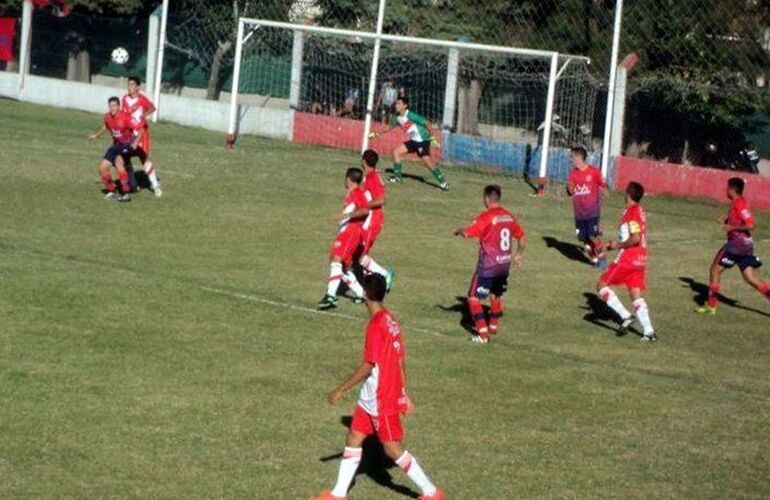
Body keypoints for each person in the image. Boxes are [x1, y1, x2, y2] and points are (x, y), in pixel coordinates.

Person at [310, 274, 444, 500]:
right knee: (354, 435)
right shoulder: (391, 319)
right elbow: (400, 359)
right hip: (371, 396)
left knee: (392, 449)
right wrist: (405, 392)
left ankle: (431, 492)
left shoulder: (376, 325)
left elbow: (368, 365)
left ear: (364, 294)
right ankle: (338, 494)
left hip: (382, 397)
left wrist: (341, 389)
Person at [454, 185, 525, 343]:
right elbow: (521, 236)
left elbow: (468, 233)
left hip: (488, 266)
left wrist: (459, 230)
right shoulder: (509, 216)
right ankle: (493, 327)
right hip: (504, 264)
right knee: (496, 294)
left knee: (473, 298)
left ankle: (482, 335)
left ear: (487, 199)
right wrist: (519, 254)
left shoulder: (486, 217)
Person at [696, 177, 770, 314]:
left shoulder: (739, 205)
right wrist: (725, 220)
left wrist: (731, 228)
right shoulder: (738, 203)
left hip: (736, 245)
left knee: (714, 271)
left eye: (727, 187)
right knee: (750, 278)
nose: (725, 190)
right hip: (745, 246)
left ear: (732, 189)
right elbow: (739, 220)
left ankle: (711, 307)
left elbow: (751, 224)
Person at [597, 181, 656, 342]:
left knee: (602, 285)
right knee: (635, 294)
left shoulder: (631, 212)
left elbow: (635, 238)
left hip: (629, 258)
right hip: (641, 259)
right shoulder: (639, 210)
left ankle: (625, 316)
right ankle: (649, 331)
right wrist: (610, 246)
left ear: (628, 194)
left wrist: (618, 245)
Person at [318, 168, 370, 310]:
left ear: (348, 179)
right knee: (341, 266)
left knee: (336, 261)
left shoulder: (358, 193)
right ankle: (362, 294)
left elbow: (365, 210)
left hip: (351, 232)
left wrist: (346, 216)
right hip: (346, 231)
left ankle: (331, 296)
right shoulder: (353, 193)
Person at [376, 96, 449, 191]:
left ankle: (443, 182)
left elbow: (427, 123)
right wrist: (376, 134)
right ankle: (397, 177)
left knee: (427, 162)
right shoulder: (397, 117)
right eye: (396, 103)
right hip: (414, 141)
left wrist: (432, 138)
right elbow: (389, 127)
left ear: (405, 106)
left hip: (422, 141)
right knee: (396, 152)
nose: (396, 105)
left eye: (399, 104)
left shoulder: (410, 115)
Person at [89, 96, 141, 202]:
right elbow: (106, 126)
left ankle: (126, 194)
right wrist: (96, 135)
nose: (112, 108)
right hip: (116, 145)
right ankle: (111, 191)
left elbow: (140, 129)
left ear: (119, 106)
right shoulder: (107, 117)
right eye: (110, 106)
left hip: (127, 145)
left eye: (114, 106)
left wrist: (135, 142)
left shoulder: (126, 117)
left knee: (118, 162)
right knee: (102, 168)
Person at [358, 149, 394, 290]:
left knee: (360, 256)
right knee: (359, 255)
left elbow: (381, 200)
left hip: (372, 223)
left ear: (364, 161)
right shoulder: (370, 176)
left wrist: (364, 205)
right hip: (368, 221)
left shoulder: (372, 177)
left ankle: (385, 275)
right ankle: (367, 285)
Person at [566, 146, 607, 268]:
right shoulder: (573, 174)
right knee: (584, 239)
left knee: (592, 236)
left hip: (592, 211)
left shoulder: (594, 172)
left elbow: (604, 187)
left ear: (579, 157)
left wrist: (604, 194)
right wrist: (569, 189)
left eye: (572, 157)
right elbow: (570, 191)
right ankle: (594, 257)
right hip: (579, 213)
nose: (571, 159)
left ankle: (603, 259)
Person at [121, 75, 162, 197]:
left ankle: (155, 186)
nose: (130, 87)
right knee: (125, 157)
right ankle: (133, 184)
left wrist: (144, 114)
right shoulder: (124, 99)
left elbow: (153, 108)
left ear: (138, 87)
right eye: (129, 84)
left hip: (141, 133)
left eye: (132, 84)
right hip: (129, 134)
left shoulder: (142, 99)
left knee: (144, 158)